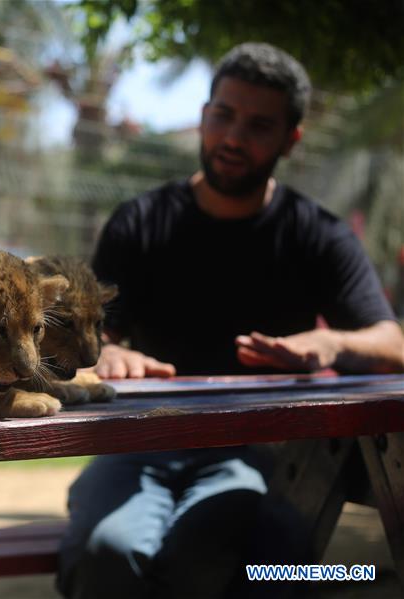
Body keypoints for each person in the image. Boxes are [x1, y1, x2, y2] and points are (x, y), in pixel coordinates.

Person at [56, 42, 404, 599]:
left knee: (249, 559)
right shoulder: (139, 222)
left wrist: (329, 343)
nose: (234, 138)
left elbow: (394, 343)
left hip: (257, 453)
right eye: (223, 115)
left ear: (292, 139)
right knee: (107, 554)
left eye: (259, 125)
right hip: (139, 443)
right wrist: (105, 350)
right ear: (203, 116)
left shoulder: (318, 235)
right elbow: (84, 339)